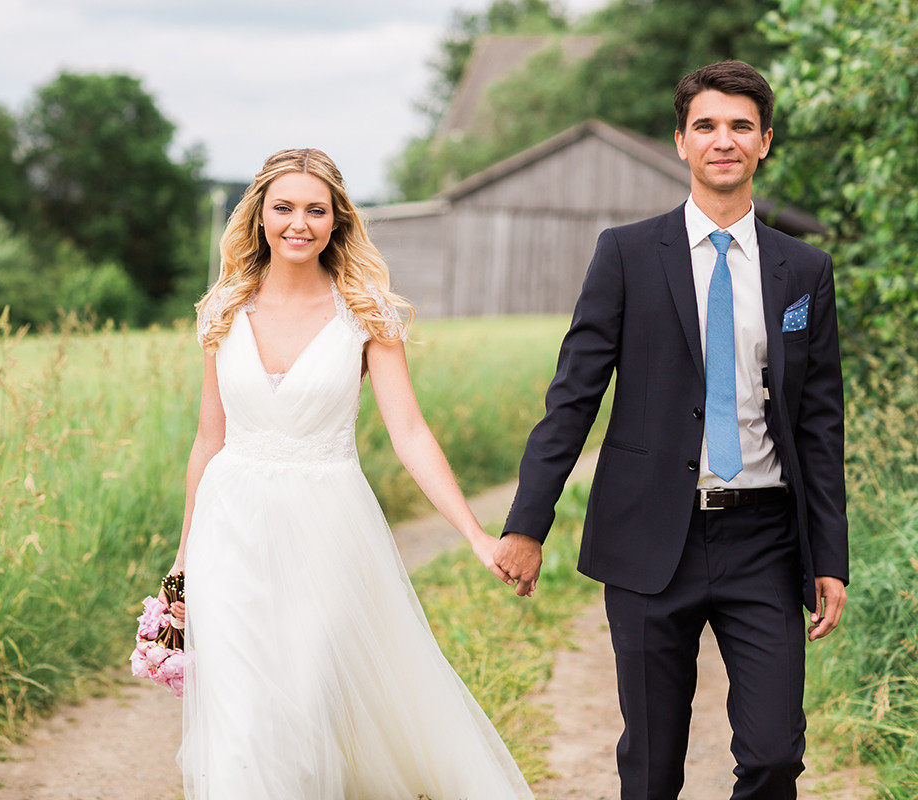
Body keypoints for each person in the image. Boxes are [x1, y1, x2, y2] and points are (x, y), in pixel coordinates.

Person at [493, 60, 848, 799]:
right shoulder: (625, 254)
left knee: (775, 754)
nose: (725, 140)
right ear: (681, 142)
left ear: (765, 142)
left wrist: (830, 556)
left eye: (741, 126)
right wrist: (528, 523)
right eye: (708, 126)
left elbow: (818, 422)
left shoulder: (803, 271)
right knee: (652, 764)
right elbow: (573, 399)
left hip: (766, 540)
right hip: (650, 534)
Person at [166, 148, 534, 799]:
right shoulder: (222, 309)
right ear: (258, 216)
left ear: (337, 220)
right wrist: (182, 558)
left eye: (316, 209)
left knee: (305, 705)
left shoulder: (364, 314)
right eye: (283, 208)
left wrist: (475, 535)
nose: (298, 223)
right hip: (230, 530)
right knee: (240, 716)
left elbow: (411, 433)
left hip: (325, 528)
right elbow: (208, 439)